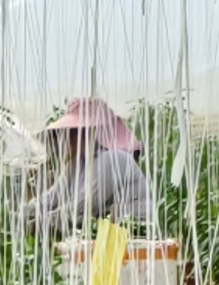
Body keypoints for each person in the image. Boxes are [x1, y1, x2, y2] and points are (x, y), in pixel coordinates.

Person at [22, 95, 155, 239]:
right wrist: (24, 211)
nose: (66, 139)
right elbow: (52, 196)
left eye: (74, 132)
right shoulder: (77, 165)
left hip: (138, 234)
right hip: (112, 235)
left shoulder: (114, 159)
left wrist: (38, 222)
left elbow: (83, 207)